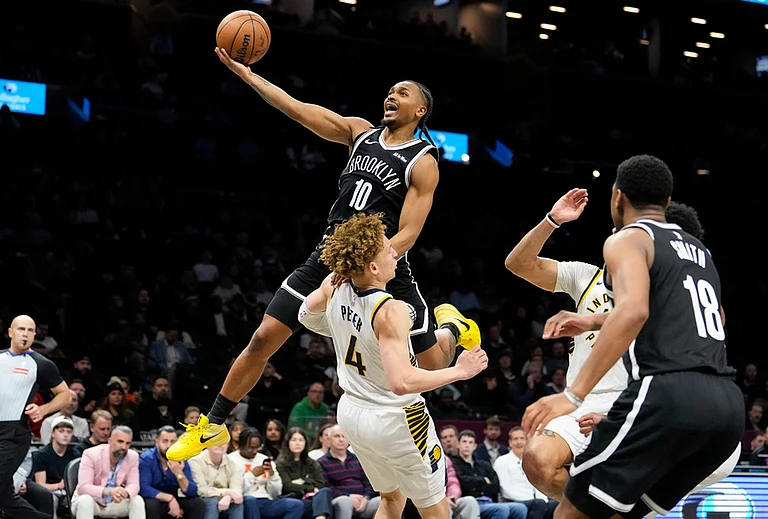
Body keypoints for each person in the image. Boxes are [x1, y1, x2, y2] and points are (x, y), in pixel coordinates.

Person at [167, 51, 482, 461]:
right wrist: (249, 75)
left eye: (401, 93)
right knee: (263, 337)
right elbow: (296, 109)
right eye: (389, 91)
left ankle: (452, 329)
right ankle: (213, 424)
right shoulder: (359, 133)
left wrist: (372, 262)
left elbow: (410, 232)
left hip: (381, 266)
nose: (391, 96)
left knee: (429, 361)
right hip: (329, 253)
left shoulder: (423, 162)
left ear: (420, 110)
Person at [522, 155, 744, 519]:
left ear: (617, 197)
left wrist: (571, 395)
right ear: (668, 202)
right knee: (615, 514)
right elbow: (710, 317)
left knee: (569, 514)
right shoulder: (700, 252)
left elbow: (633, 311)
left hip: (669, 396)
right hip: (726, 406)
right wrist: (592, 321)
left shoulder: (629, 239)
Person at [297, 213, 488, 519]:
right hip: (396, 418)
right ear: (372, 267)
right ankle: (452, 328)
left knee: (392, 497)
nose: (395, 252)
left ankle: (451, 328)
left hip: (352, 413)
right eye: (388, 250)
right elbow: (402, 382)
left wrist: (346, 328)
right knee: (435, 505)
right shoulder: (391, 310)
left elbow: (305, 316)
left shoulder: (334, 286)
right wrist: (461, 371)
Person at [0, 315, 71, 519]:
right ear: (10, 332)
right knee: (5, 498)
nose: (26, 334)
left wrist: (44, 409)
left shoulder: (41, 363)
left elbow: (65, 395)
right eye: (21, 329)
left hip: (14, 434)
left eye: (30, 330)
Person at [71, 425, 146, 519]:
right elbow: (83, 487)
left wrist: (124, 493)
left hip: (115, 502)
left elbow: (134, 485)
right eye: (120, 441)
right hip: (93, 502)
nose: (124, 447)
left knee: (137, 500)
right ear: (110, 441)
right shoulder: (90, 454)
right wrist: (108, 491)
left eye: (128, 443)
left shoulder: (133, 456)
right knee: (85, 501)